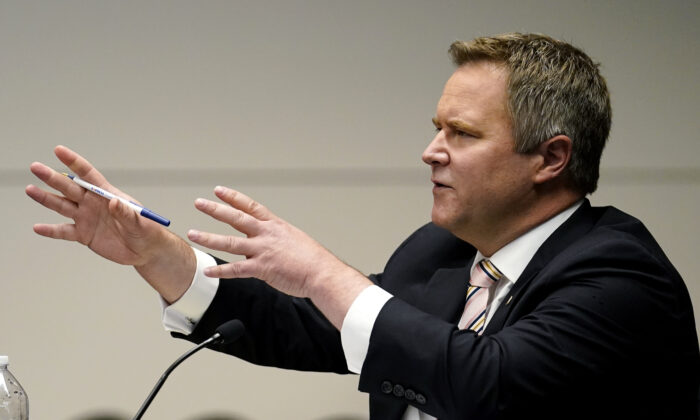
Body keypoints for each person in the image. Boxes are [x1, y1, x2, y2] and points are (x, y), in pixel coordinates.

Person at [27, 33, 699, 420]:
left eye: (461, 133)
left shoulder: (618, 274)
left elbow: (487, 384)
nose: (431, 151)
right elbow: (305, 324)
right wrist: (159, 252)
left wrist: (324, 272)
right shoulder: (442, 255)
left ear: (550, 158)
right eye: (435, 128)